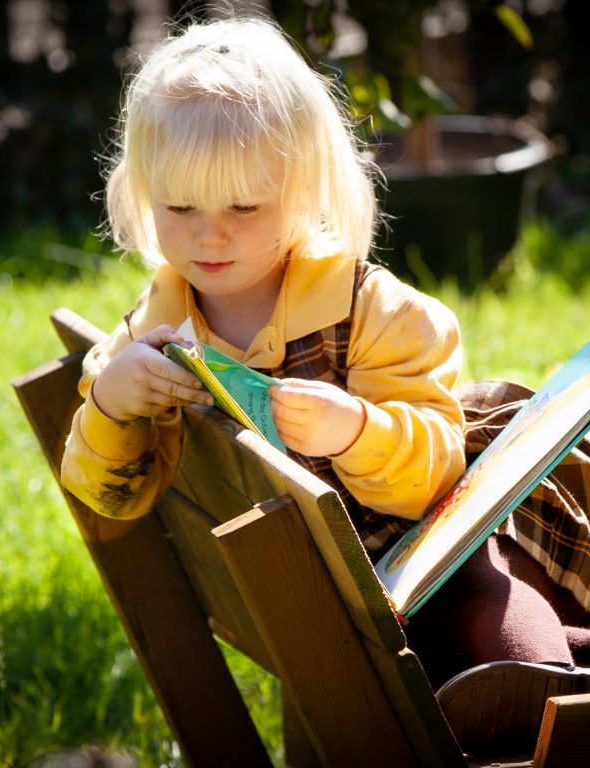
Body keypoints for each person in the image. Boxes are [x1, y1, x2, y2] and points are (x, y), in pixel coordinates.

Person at [60, 12, 590, 755]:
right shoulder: (155, 329)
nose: (210, 235)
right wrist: (113, 401)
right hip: (316, 606)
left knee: (507, 644)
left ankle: (557, 698)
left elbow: (433, 471)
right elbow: (101, 489)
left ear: (305, 189)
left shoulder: (374, 312)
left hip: (431, 566)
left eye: (243, 207)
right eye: (180, 208)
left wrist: (357, 431)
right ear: (143, 194)